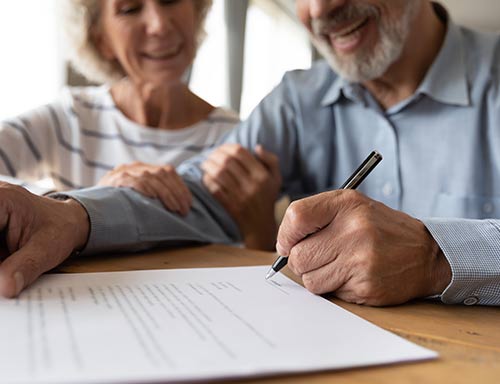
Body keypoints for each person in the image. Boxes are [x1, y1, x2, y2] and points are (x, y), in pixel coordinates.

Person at [0, 0, 499, 306]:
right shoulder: (297, 99)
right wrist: (72, 217)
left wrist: (435, 256)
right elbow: (196, 193)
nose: (320, 9)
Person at [0, 0, 280, 249]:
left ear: (196, 10)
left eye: (170, 1)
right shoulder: (71, 118)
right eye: (130, 9)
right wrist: (86, 204)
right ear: (101, 39)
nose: (159, 25)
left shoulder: (238, 137)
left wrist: (262, 229)